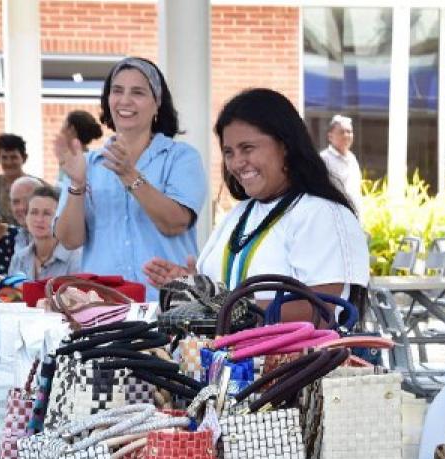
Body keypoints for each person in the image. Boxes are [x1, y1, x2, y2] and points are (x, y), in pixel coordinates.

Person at [143, 88, 370, 322]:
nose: (237, 163)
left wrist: (226, 308)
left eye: (247, 148)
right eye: (229, 152)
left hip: (295, 360)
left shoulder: (323, 214)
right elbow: (221, 293)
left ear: (285, 145)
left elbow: (324, 310)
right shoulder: (240, 213)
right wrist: (195, 287)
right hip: (227, 357)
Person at [54, 56, 206, 301]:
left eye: (138, 92)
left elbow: (175, 223)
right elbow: (70, 240)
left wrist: (129, 174)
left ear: (157, 103)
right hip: (104, 307)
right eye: (117, 91)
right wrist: (77, 185)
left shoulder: (181, 157)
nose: (125, 101)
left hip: (168, 306)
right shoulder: (88, 164)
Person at [9, 185, 80, 281]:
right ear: (26, 217)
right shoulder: (18, 259)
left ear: (61, 218)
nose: (39, 219)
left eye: (47, 213)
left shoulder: (75, 259)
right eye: (34, 212)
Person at [319, 114, 362, 217]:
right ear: (330, 136)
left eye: (349, 132)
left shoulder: (352, 158)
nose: (346, 135)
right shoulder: (323, 159)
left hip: (353, 216)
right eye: (342, 132)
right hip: (333, 218)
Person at [8, 175, 45, 247]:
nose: (21, 207)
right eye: (16, 202)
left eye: (28, 200)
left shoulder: (59, 237)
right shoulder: (20, 237)